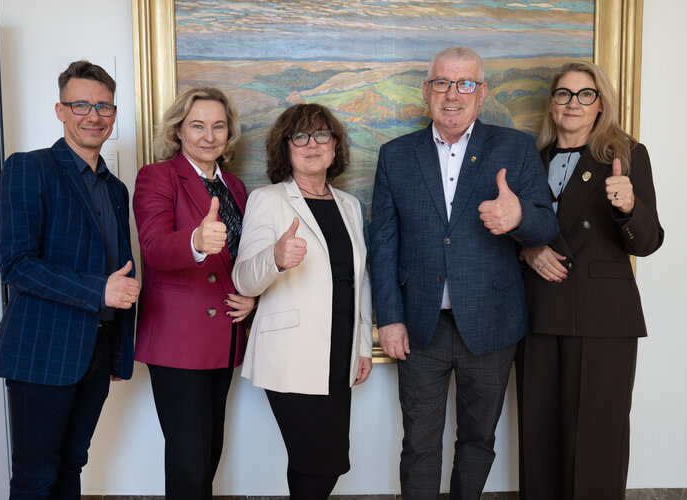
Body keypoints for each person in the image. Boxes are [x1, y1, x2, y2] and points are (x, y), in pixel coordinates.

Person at [369, 46, 558, 499]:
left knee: (478, 440)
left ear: (482, 92)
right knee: (419, 444)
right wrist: (389, 319)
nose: (452, 94)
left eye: (465, 84)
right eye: (442, 83)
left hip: (493, 324)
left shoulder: (515, 147)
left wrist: (518, 218)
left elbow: (546, 225)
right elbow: (384, 244)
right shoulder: (395, 155)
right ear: (426, 90)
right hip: (421, 327)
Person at [0, 60, 139, 498]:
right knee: (37, 476)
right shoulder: (28, 168)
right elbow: (17, 263)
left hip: (96, 349)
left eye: (104, 106)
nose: (93, 116)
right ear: (60, 110)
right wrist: (99, 290)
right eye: (81, 105)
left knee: (73, 463)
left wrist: (115, 353)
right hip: (43, 349)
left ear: (114, 114)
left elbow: (118, 267)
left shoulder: (115, 189)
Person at [516, 60, 663, 500]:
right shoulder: (530, 160)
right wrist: (528, 249)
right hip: (539, 314)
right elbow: (513, 230)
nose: (573, 103)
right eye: (564, 93)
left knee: (596, 441)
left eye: (586, 94)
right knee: (539, 441)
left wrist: (629, 207)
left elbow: (648, 243)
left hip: (602, 320)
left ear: (600, 104)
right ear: (552, 103)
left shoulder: (627, 156)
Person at [232, 103, 373, 498]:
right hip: (290, 353)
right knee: (318, 460)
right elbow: (243, 278)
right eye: (300, 136)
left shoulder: (349, 205)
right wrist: (275, 258)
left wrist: (363, 346)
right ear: (286, 147)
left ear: (335, 145)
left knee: (322, 461)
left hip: (339, 352)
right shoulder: (268, 200)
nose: (312, 144)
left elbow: (359, 281)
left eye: (321, 134)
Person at [132, 87, 254, 499]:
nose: (209, 136)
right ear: (178, 130)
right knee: (189, 459)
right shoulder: (157, 176)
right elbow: (153, 247)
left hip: (225, 338)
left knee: (209, 452)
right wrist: (196, 242)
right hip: (178, 339)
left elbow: (240, 260)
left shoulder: (235, 186)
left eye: (218, 126)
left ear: (229, 133)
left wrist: (250, 295)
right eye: (197, 125)